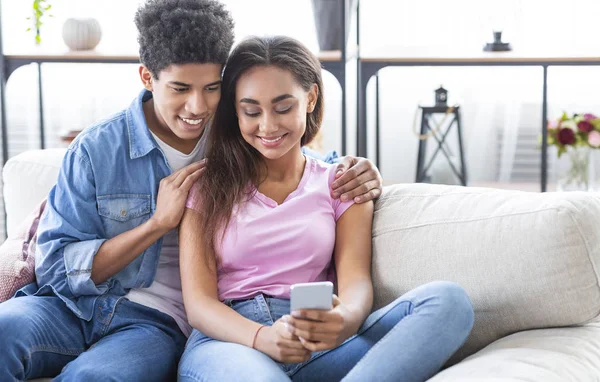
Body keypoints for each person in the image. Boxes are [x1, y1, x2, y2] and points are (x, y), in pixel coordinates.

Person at [0, 1, 383, 381]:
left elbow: (295, 153)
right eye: (180, 88)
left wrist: (360, 168)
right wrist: (155, 225)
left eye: (212, 88)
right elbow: (53, 267)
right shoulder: (97, 149)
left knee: (95, 377)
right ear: (147, 78)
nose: (197, 106)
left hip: (154, 320)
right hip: (69, 307)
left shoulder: (234, 133)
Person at [178, 35, 475, 382]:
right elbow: (199, 305)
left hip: (323, 342)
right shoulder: (207, 186)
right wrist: (263, 338)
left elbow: (356, 283)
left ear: (310, 98)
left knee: (449, 302)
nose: (268, 126)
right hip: (232, 342)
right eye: (251, 111)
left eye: (283, 107)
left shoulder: (341, 182)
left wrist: (345, 319)